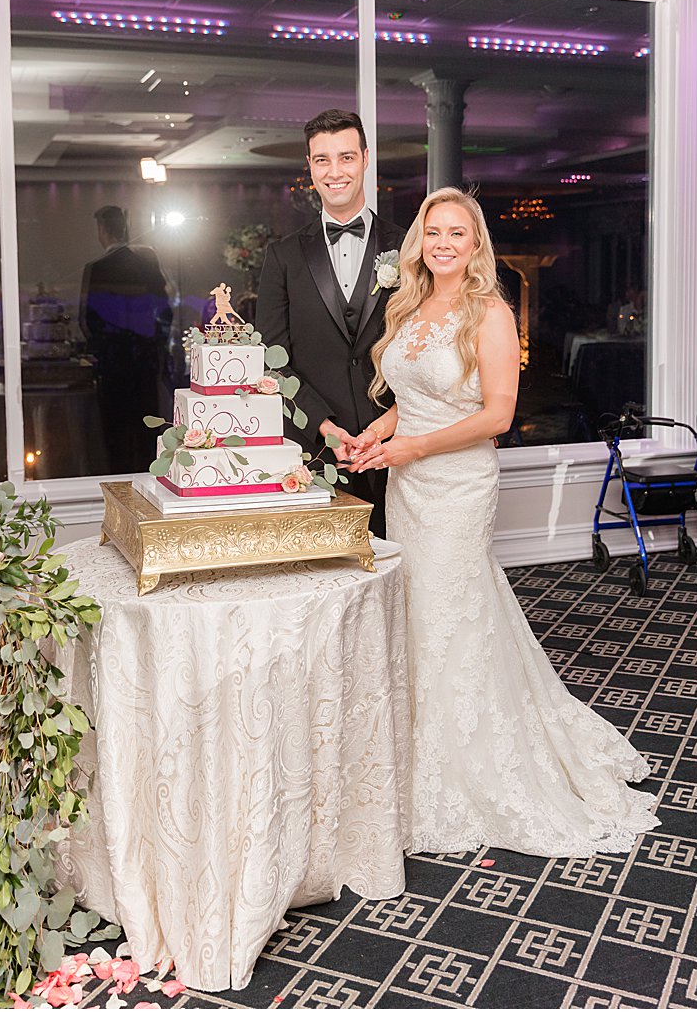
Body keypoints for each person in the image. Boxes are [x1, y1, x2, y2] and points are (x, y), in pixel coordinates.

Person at [349, 187, 658, 856]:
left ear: (477, 242)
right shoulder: (410, 303)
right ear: (420, 242)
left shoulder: (488, 311)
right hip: (409, 482)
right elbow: (414, 397)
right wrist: (379, 430)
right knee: (418, 614)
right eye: (434, 232)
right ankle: (416, 750)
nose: (443, 243)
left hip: (458, 485)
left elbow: (497, 415)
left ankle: (468, 758)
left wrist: (415, 447)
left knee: (452, 611)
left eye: (457, 232)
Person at [257, 109, 405, 537]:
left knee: (401, 571)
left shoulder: (408, 244)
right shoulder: (282, 255)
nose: (334, 171)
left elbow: (425, 343)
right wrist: (325, 426)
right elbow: (272, 360)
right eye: (322, 159)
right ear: (310, 166)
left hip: (395, 442)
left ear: (365, 159)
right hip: (313, 449)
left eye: (345, 157)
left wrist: (388, 424)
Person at [78, 205, 171, 471]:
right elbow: (165, 310)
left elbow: (88, 320)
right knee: (146, 431)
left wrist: (104, 349)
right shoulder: (146, 265)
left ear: (103, 230)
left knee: (116, 433)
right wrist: (154, 347)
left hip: (113, 365)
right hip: (145, 362)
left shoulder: (96, 269)